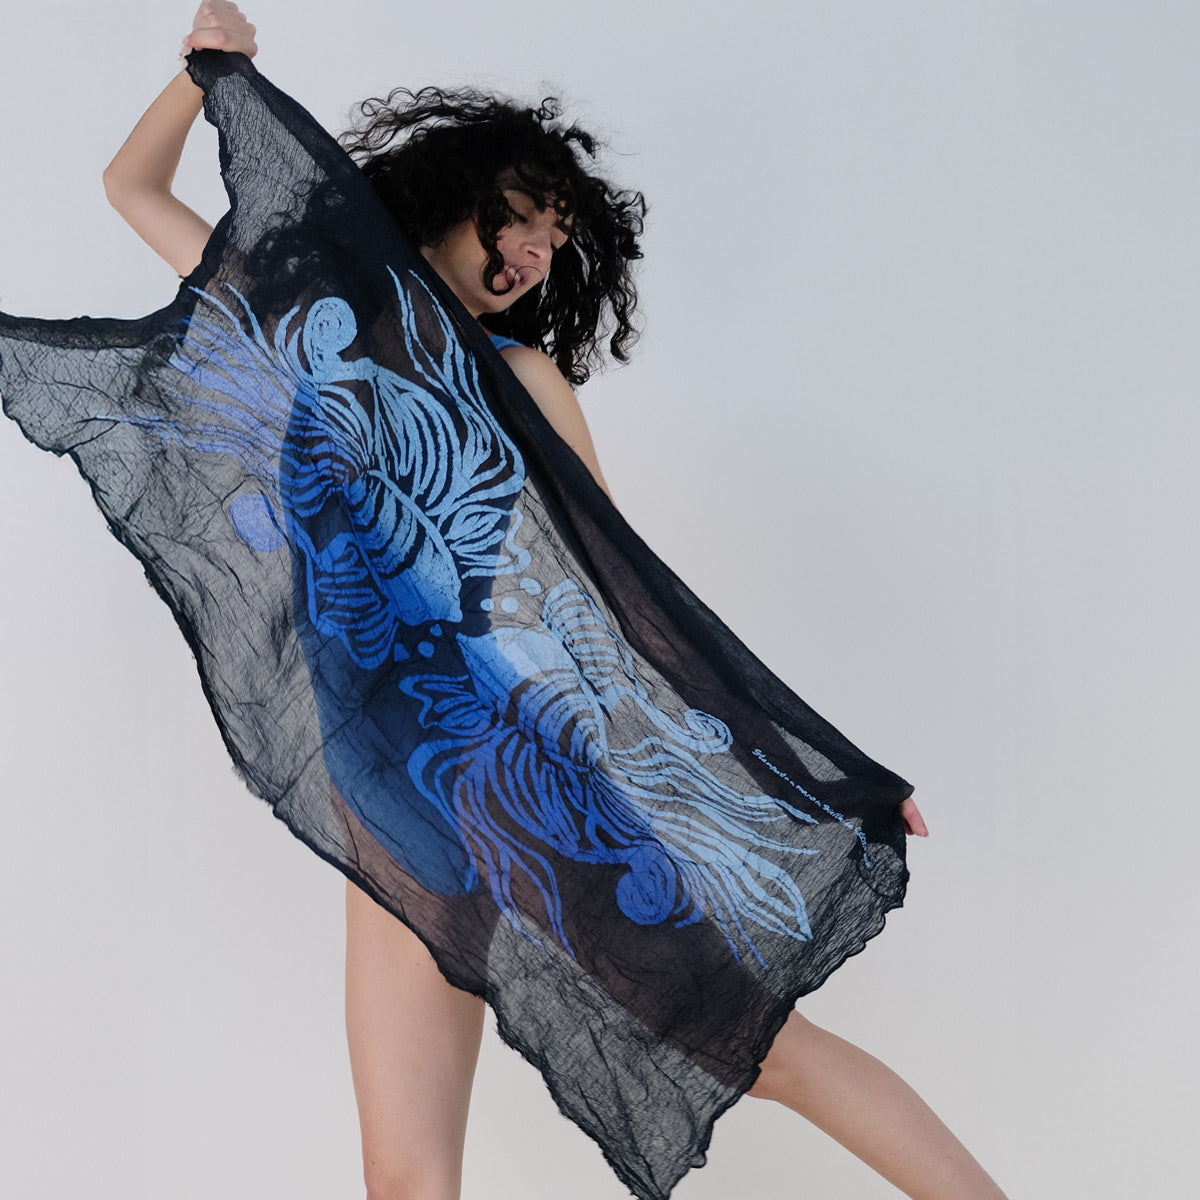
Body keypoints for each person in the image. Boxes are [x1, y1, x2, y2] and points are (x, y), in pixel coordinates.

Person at [91, 4, 1004, 1199]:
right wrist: (208, 71)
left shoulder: (521, 379)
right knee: (405, 1178)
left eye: (556, 242)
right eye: (520, 215)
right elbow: (131, 186)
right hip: (385, 796)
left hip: (520, 778)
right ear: (450, 192)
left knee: (761, 1051)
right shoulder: (294, 322)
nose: (533, 252)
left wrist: (812, 768)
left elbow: (629, 605)